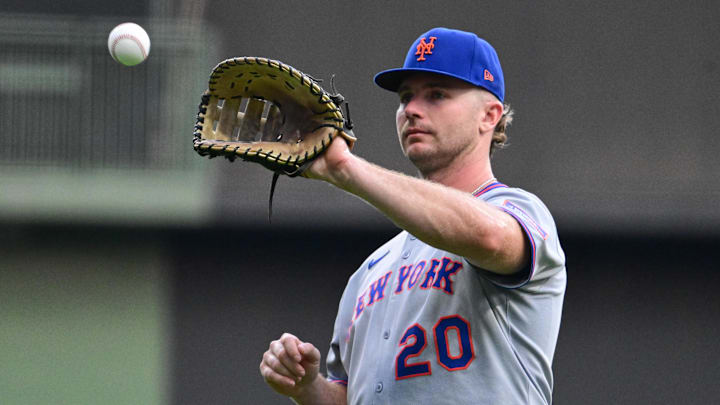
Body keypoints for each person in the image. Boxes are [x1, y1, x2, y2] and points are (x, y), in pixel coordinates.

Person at [259, 27, 566, 405]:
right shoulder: (371, 271)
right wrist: (307, 388)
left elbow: (488, 237)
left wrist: (346, 169)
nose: (412, 109)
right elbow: (351, 396)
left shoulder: (519, 211)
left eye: (437, 94)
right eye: (406, 97)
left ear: (489, 115)